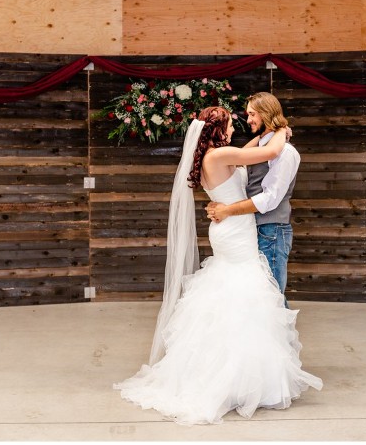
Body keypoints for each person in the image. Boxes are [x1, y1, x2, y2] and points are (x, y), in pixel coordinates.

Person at [113, 106, 322, 426]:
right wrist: (281, 130)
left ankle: (232, 370)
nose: (234, 129)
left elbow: (248, 151)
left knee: (229, 291)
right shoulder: (221, 155)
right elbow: (271, 150)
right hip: (235, 229)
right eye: (228, 126)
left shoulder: (215, 155)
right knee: (244, 291)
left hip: (229, 228)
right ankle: (239, 377)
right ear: (218, 132)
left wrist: (269, 137)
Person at [206, 92, 298, 304]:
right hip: (249, 230)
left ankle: (278, 338)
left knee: (271, 297)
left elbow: (270, 199)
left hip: (272, 231)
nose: (248, 121)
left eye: (252, 114)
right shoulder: (259, 149)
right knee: (255, 297)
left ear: (266, 113)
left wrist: (227, 209)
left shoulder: (286, 152)